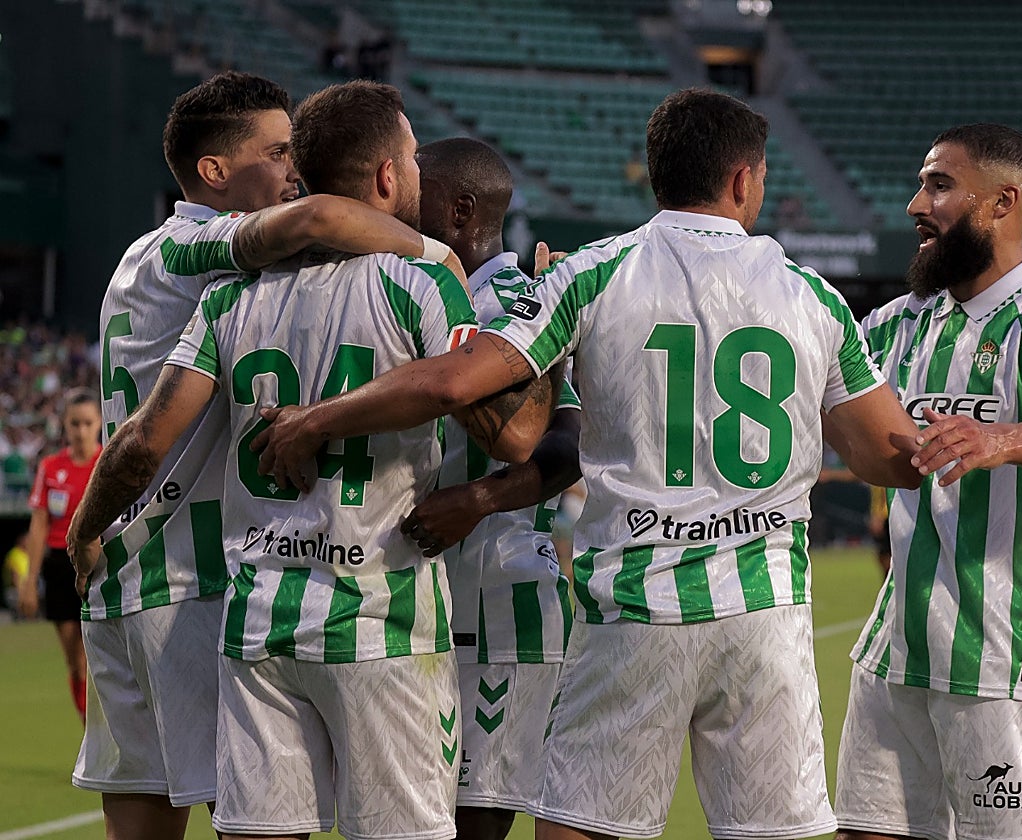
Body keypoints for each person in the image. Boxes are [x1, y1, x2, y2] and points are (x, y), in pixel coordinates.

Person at [253, 86, 939, 840]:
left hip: (635, 608)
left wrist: (316, 419)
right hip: (762, 614)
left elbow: (453, 380)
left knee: (580, 827)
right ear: (744, 180)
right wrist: (984, 439)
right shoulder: (813, 297)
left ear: (657, 173)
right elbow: (889, 457)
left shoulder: (593, 273)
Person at [68, 79, 554, 840]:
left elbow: (141, 440)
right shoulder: (407, 276)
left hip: (209, 600)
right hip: (333, 607)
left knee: (171, 816)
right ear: (391, 179)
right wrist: (528, 318)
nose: (289, 169)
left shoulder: (201, 286)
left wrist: (84, 525)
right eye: (274, 151)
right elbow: (515, 434)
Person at [832, 123, 1022, 840]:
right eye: (921, 182)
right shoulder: (895, 326)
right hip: (898, 646)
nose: (915, 203)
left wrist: (1002, 437)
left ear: (1002, 202)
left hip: (1006, 653)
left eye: (939, 184)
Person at [403, 137, 583, 840]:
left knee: (468, 827)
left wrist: (476, 502)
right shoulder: (427, 293)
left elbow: (562, 448)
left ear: (458, 210)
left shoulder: (515, 303)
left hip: (499, 608)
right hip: (428, 601)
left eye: (410, 197)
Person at [18, 388, 102, 722]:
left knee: (99, 659)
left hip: (98, 566)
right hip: (58, 566)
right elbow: (38, 526)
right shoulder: (51, 467)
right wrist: (28, 581)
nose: (81, 430)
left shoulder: (107, 462)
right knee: (76, 662)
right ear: (64, 426)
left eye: (87, 423)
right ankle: (89, 736)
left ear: (99, 423)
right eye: (74, 423)